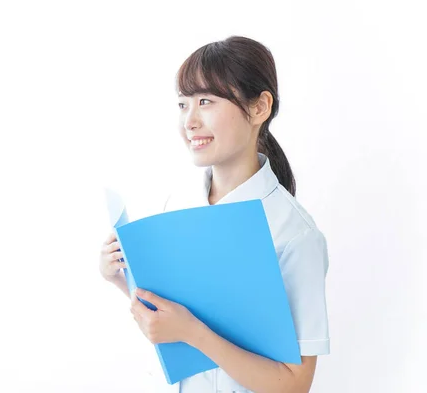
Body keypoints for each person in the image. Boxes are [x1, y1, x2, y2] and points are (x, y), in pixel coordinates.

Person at [98, 35, 330, 393]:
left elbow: (294, 385)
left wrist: (193, 333)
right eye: (182, 104)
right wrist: (121, 278)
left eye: (205, 101)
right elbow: (174, 321)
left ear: (259, 108)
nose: (189, 121)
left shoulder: (293, 233)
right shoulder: (178, 206)